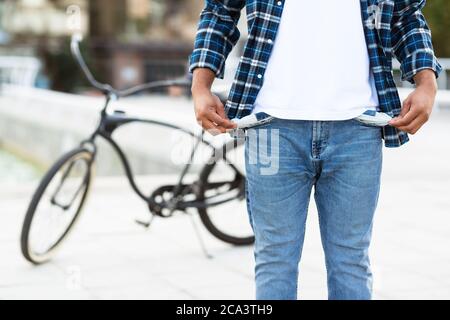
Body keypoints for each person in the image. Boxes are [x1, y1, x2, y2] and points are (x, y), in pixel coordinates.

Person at [189, 0, 441, 300]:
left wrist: (427, 81)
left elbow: (405, 16)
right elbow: (220, 11)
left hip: (357, 128)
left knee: (351, 261)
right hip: (271, 126)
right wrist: (200, 85)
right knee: (275, 260)